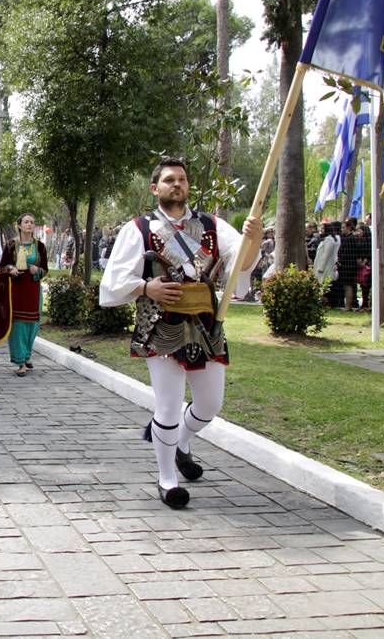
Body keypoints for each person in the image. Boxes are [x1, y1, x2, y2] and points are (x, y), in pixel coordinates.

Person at [100, 158, 262, 509]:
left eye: (182, 179)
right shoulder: (138, 228)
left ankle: (180, 443)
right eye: (169, 179)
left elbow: (241, 263)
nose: (177, 184)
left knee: (210, 404)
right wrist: (147, 287)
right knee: (169, 404)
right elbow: (114, 281)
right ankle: (167, 479)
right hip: (161, 325)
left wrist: (255, 237)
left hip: (206, 324)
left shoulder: (212, 225)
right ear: (155, 188)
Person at [0, 213, 49, 376]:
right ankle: (20, 362)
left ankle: (27, 356)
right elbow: (1, 267)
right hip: (17, 289)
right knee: (18, 325)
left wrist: (38, 270)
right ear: (20, 225)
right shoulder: (11, 245)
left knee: (32, 325)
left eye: (32, 222)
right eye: (26, 222)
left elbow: (45, 269)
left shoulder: (40, 246)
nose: (29, 225)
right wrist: (10, 269)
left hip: (33, 289)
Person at [313, 221, 341, 304]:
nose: (321, 230)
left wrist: (321, 267)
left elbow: (326, 255)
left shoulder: (329, 240)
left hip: (325, 267)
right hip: (321, 266)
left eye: (323, 228)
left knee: (324, 285)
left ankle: (326, 302)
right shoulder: (325, 239)